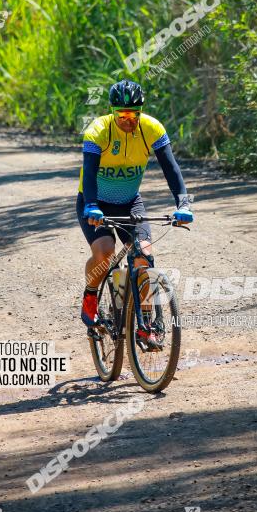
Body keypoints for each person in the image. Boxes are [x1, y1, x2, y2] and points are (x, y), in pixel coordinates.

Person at [77, 79, 193, 334]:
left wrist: (183, 203)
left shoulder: (152, 128)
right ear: (112, 111)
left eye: (134, 114)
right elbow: (89, 173)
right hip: (95, 202)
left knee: (143, 255)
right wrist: (93, 205)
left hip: (130, 201)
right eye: (122, 114)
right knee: (106, 251)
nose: (128, 120)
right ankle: (90, 295)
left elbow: (171, 169)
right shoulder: (98, 131)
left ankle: (147, 323)